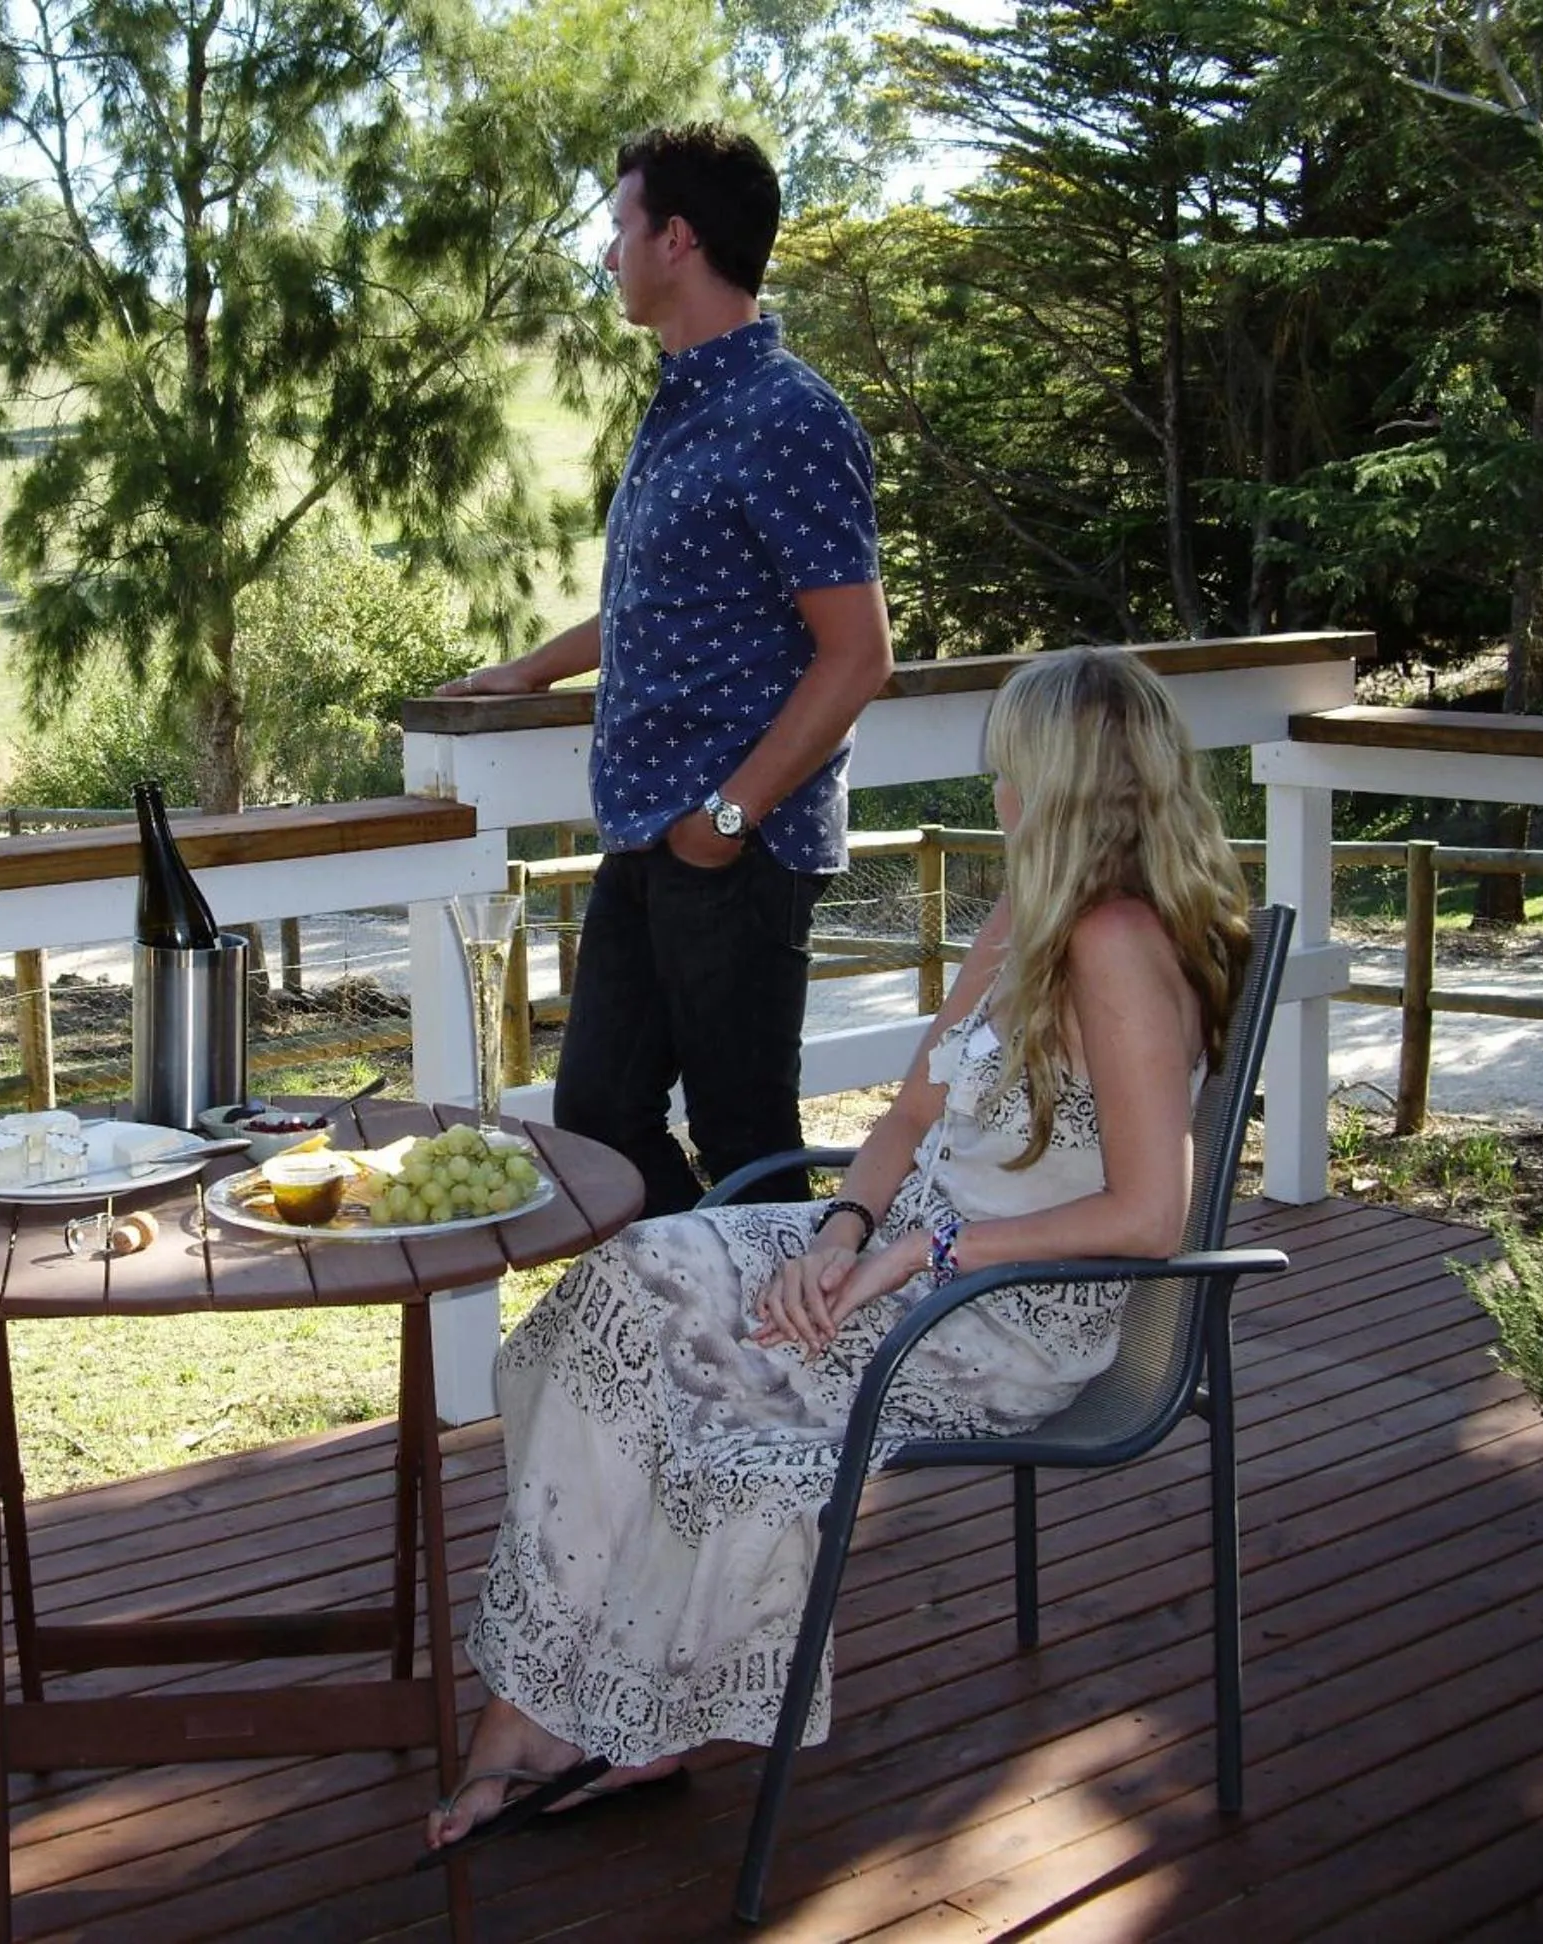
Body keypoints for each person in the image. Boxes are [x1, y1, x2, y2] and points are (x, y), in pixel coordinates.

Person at [423, 646, 1252, 1856]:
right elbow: (910, 1121)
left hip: (1009, 1313)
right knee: (632, 1278)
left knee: (708, 1375)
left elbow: (1147, 1218)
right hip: (909, 1260)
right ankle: (566, 1699)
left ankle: (573, 1718)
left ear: (1062, 780)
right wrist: (847, 1230)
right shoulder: (1031, 913)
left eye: (1008, 765)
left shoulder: (1117, 945)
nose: (995, 789)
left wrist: (919, 1251)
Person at [439, 124, 893, 1218]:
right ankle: (716, 1318)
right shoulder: (684, 402)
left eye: (619, 229)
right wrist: (531, 671)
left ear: (676, 238)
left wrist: (727, 819)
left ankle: (787, 1364)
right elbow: (663, 600)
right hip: (648, 833)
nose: (608, 255)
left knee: (746, 1136)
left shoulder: (790, 415)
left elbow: (860, 654)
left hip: (737, 843)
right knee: (597, 1112)